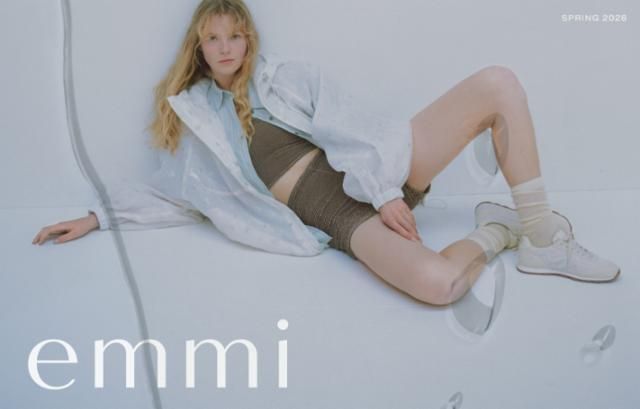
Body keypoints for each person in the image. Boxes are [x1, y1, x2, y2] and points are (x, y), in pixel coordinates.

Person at [32, 0, 620, 306]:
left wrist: (387, 192)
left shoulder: (285, 77)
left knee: (498, 83)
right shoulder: (198, 124)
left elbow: (348, 130)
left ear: (248, 40)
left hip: (384, 169)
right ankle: (501, 229)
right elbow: (175, 195)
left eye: (234, 35)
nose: (225, 47)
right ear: (199, 47)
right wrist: (96, 217)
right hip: (343, 216)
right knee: (441, 287)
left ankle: (542, 237)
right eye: (213, 38)